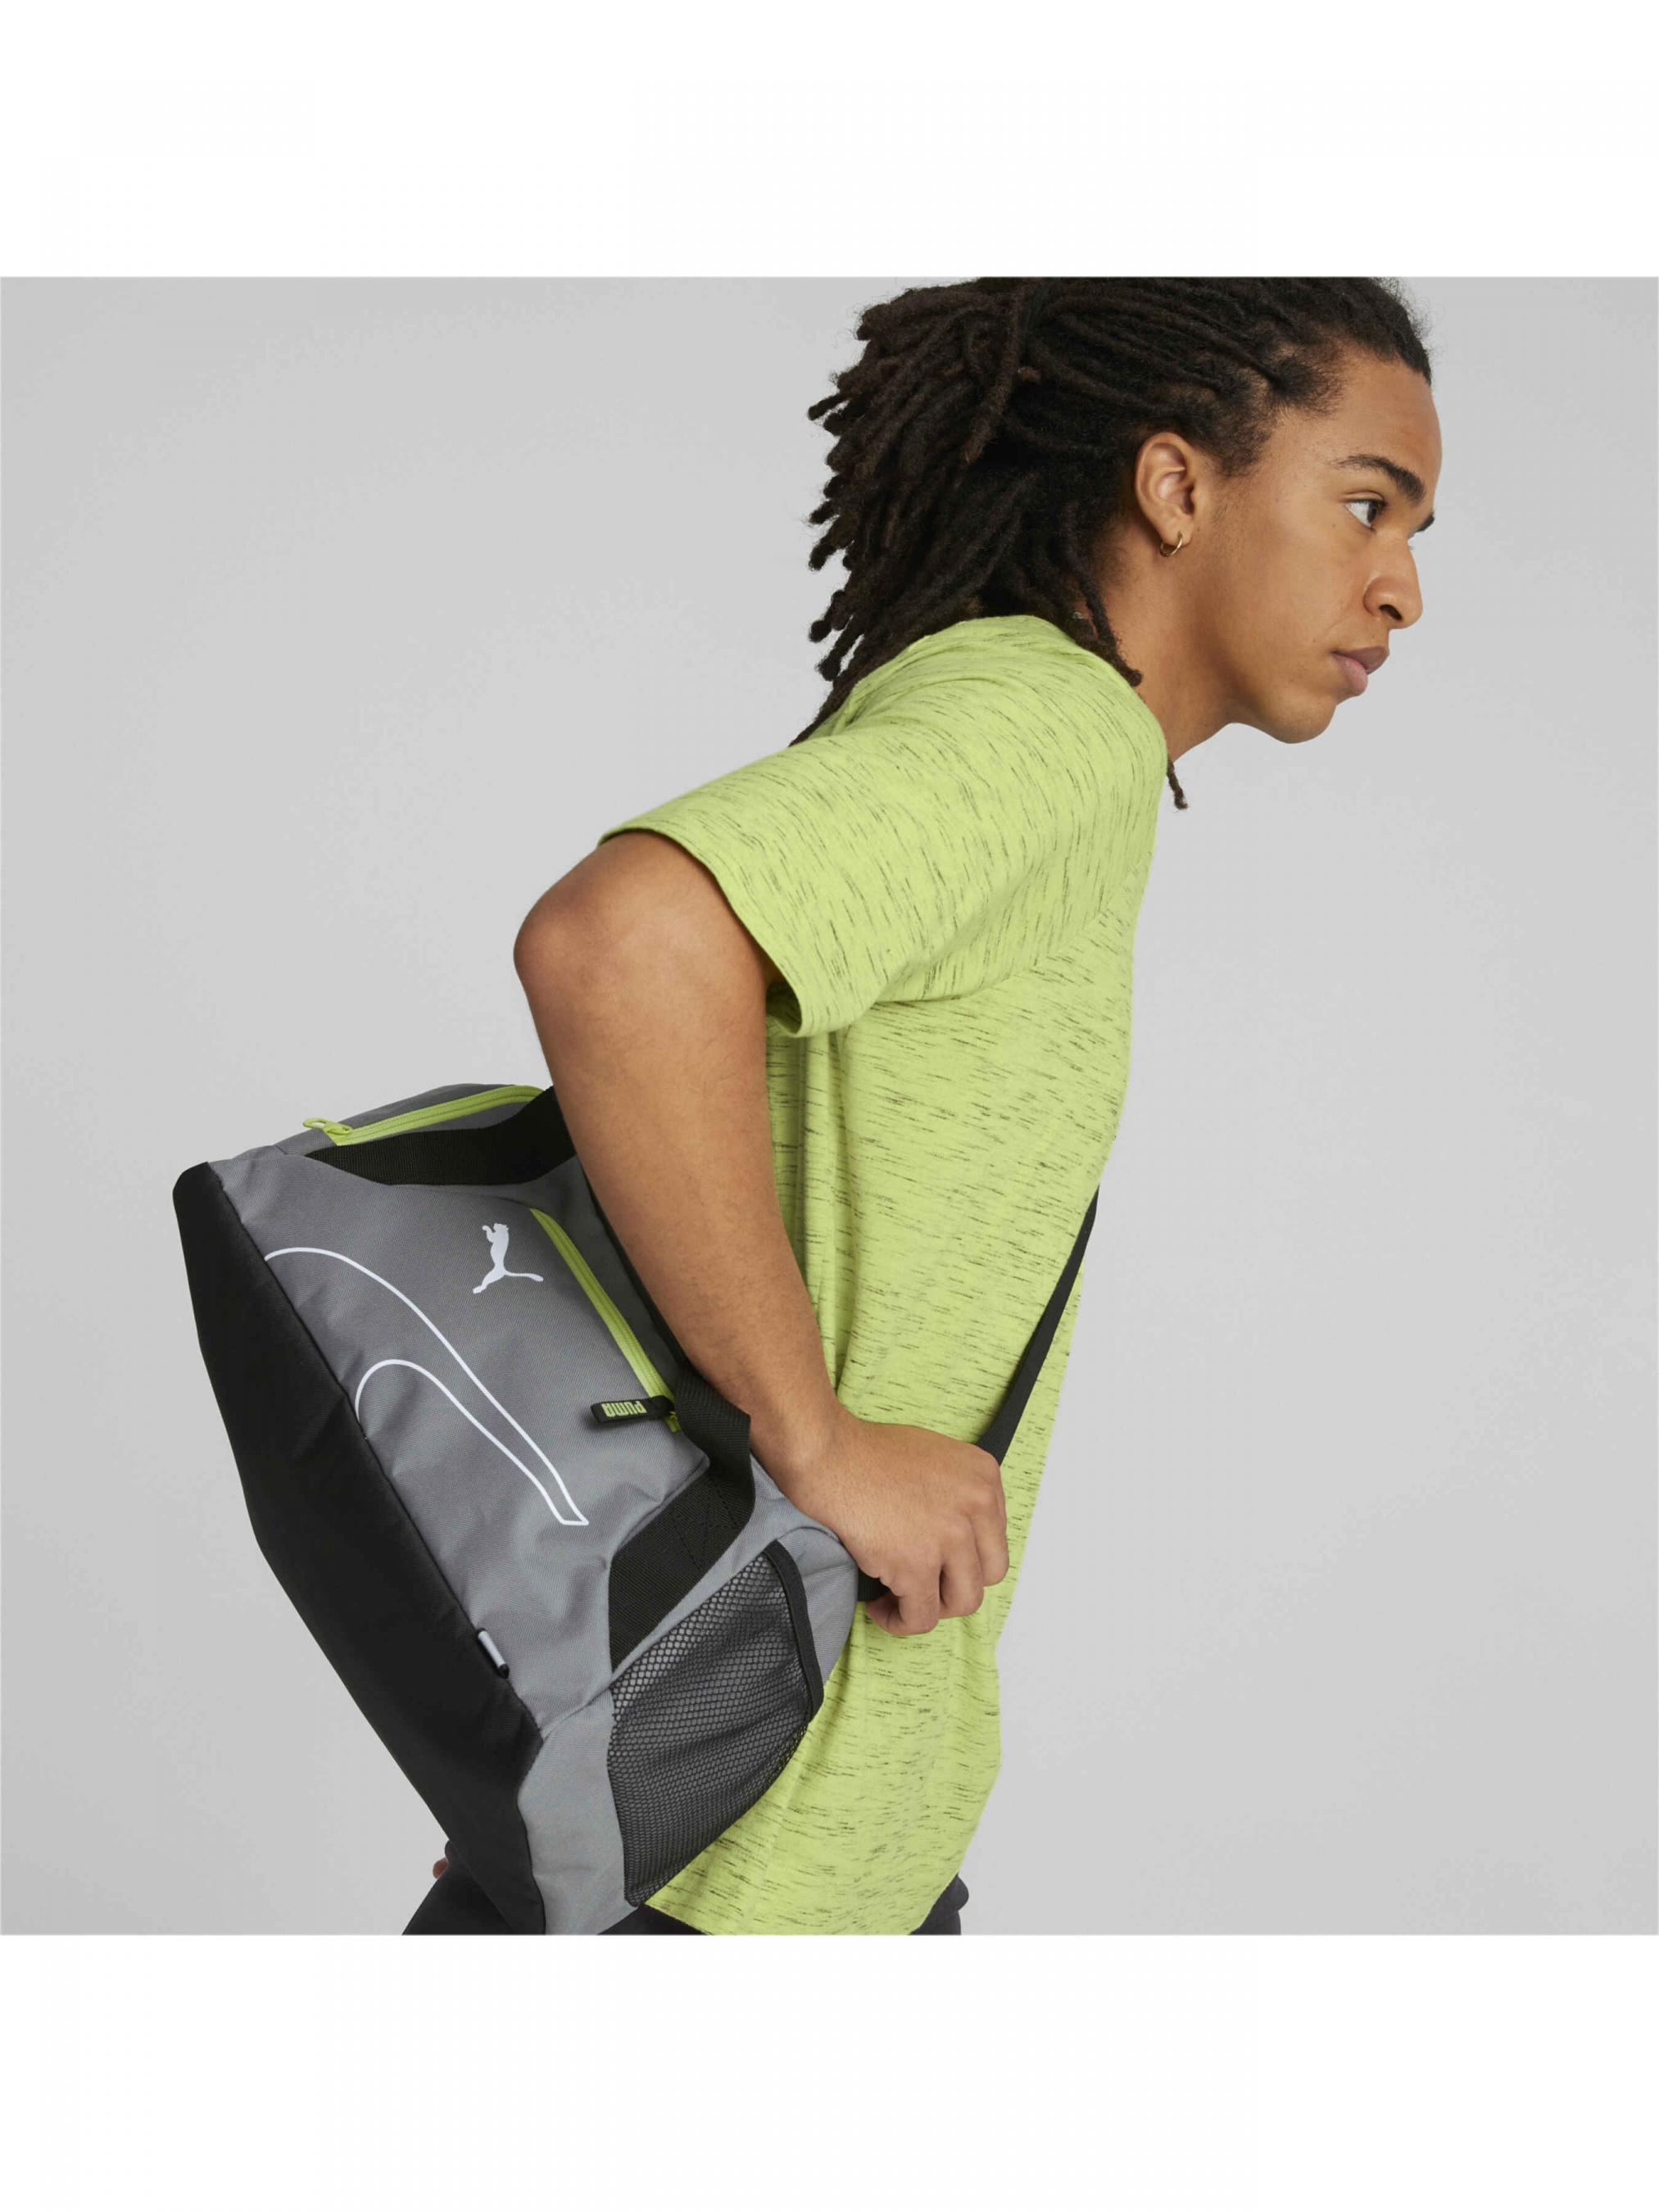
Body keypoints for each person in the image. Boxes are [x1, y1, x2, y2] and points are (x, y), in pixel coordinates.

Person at [413, 275, 1440, 1938]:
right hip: (739, 1864)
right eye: (1365, 505)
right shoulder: (1046, 726)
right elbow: (618, 943)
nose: (1399, 586)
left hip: (755, 1812)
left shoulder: (1028, 722)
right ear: (1175, 486)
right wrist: (811, 1437)